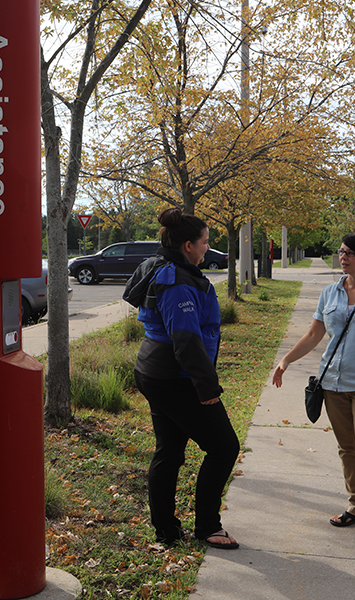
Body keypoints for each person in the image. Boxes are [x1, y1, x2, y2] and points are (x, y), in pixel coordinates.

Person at [271, 231, 355, 543]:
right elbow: (314, 334)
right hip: (332, 382)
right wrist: (286, 361)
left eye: (350, 252)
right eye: (341, 251)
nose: (343, 256)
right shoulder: (330, 293)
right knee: (347, 449)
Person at [123, 207, 240, 550]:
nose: (208, 248)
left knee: (170, 451)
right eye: (205, 242)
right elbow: (185, 338)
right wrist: (206, 388)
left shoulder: (171, 269)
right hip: (174, 375)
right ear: (188, 245)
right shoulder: (175, 279)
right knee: (223, 447)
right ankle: (207, 526)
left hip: (158, 371)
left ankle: (166, 531)